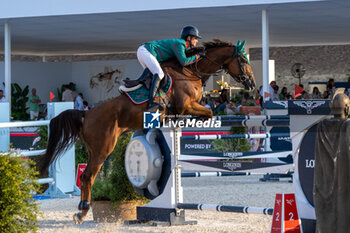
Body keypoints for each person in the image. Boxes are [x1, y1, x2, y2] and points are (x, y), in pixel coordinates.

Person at [137, 25, 205, 110]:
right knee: (159, 74)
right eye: (195, 38)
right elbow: (184, 62)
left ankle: (143, 97)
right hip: (146, 51)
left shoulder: (181, 45)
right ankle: (151, 102)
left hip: (144, 51)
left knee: (152, 77)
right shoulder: (180, 43)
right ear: (188, 38)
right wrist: (198, 56)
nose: (197, 41)